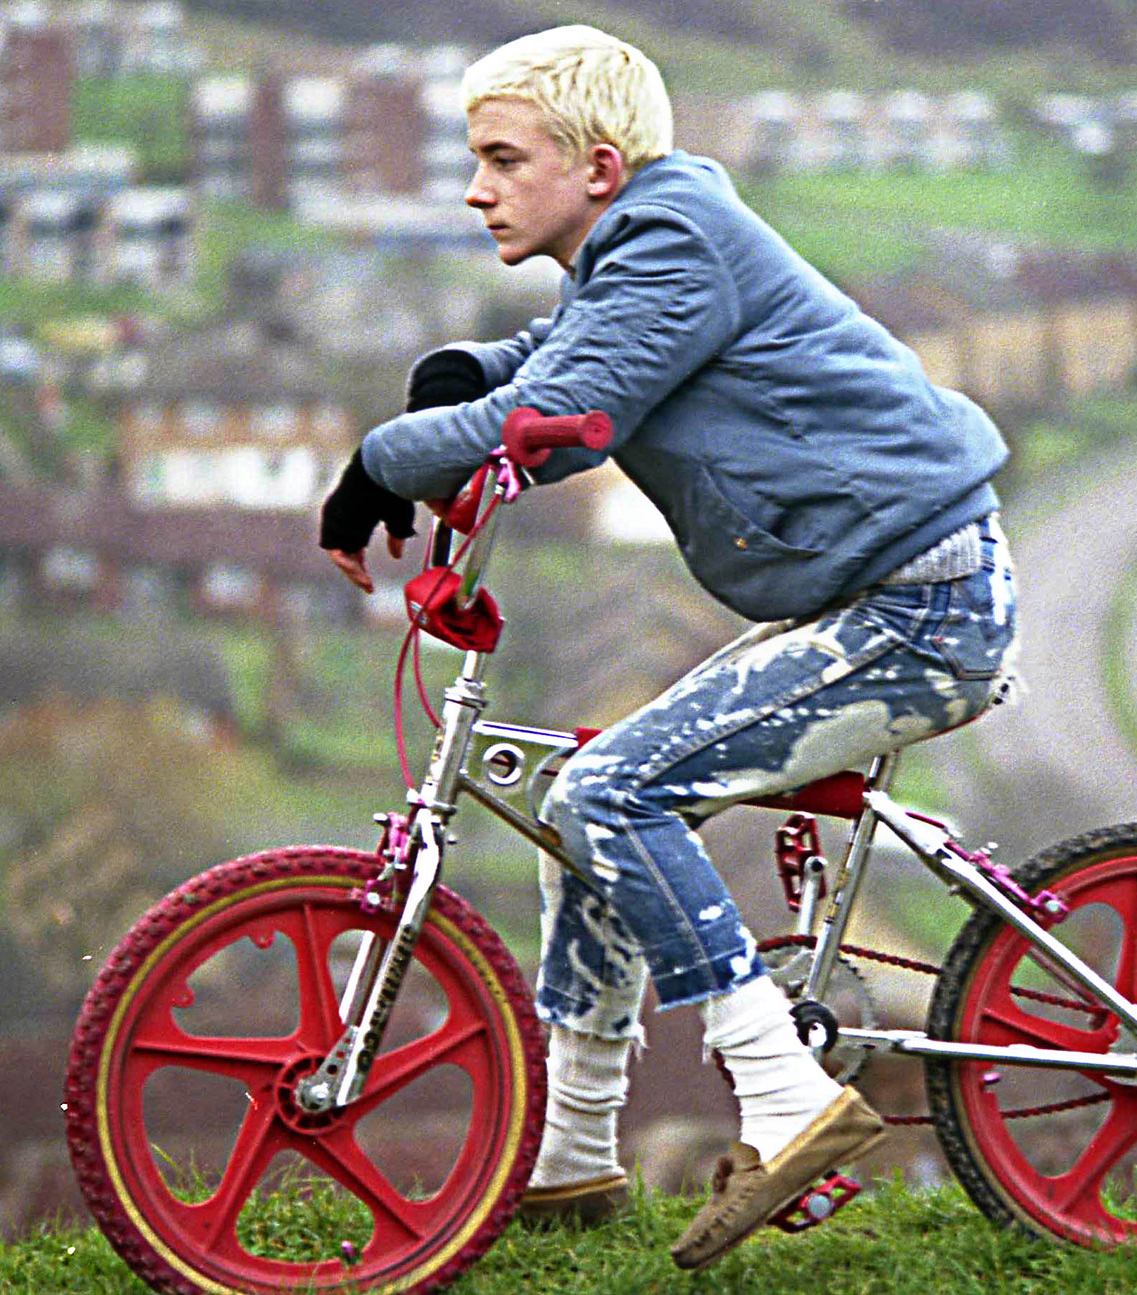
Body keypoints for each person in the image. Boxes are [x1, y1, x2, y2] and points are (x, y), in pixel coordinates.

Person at [318, 24, 1017, 1270]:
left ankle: (783, 1095)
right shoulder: (641, 249)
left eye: (499, 159)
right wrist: (457, 376)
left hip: (917, 603)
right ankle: (576, 1154)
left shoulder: (670, 239)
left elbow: (563, 418)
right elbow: (555, 362)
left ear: (594, 166)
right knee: (577, 799)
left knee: (609, 787)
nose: (474, 188)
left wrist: (379, 460)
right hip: (867, 590)